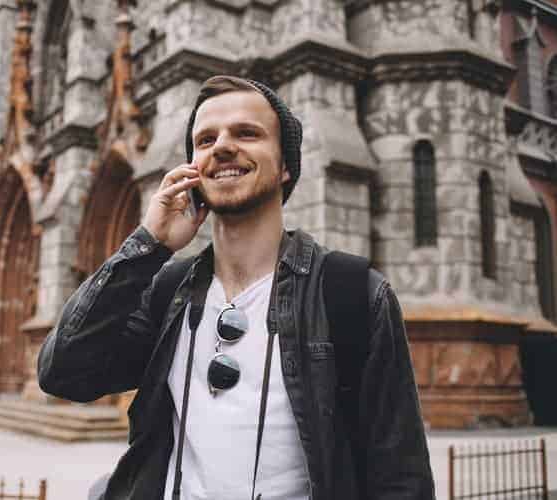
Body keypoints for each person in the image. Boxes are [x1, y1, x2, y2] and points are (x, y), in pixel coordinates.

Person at [37, 76, 435, 500]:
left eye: (247, 133)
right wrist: (148, 245)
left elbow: (401, 479)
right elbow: (63, 373)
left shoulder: (353, 294)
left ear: (286, 165)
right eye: (205, 140)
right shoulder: (169, 290)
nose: (222, 147)